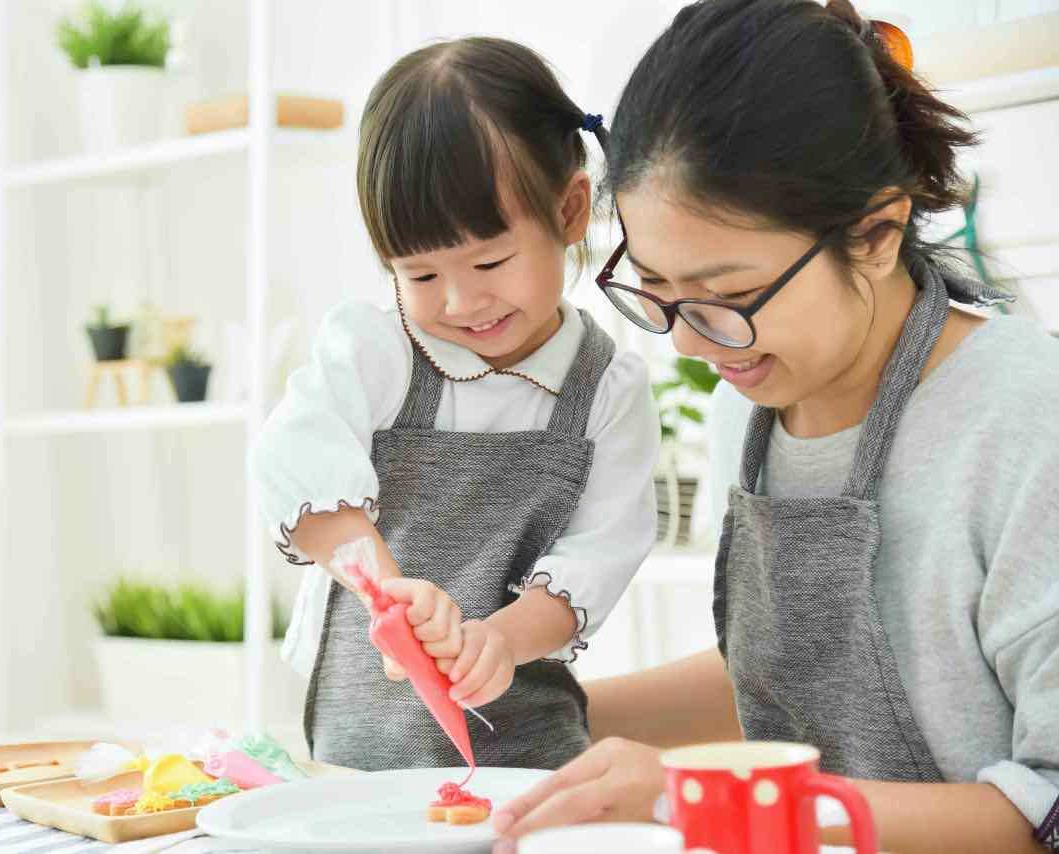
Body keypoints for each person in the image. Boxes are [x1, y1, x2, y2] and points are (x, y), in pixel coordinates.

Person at [493, 2, 1059, 852]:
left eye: (726, 296)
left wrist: (706, 799)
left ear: (876, 232)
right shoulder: (752, 406)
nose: (686, 340)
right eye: (656, 287)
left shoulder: (1026, 418)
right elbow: (788, 681)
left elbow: (1049, 804)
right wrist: (528, 713)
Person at [249, 37, 659, 771]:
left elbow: (600, 553)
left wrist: (498, 640)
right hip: (361, 738)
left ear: (569, 210)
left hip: (530, 737)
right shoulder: (376, 353)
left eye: (491, 261)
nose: (463, 301)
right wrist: (387, 589)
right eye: (421, 274)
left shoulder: (606, 391)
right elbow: (292, 457)